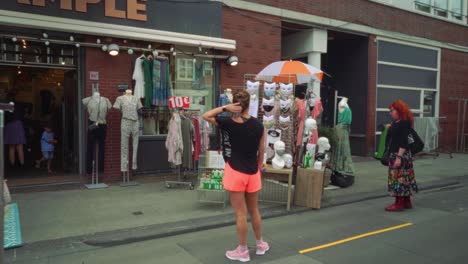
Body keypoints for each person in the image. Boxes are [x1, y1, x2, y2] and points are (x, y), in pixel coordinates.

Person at [202, 90, 269, 262]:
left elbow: (205, 115)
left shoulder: (227, 122)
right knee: (254, 211)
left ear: (235, 104)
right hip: (253, 172)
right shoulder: (258, 125)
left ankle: (243, 251)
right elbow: (262, 149)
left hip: (235, 171)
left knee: (240, 213)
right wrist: (259, 166)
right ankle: (260, 244)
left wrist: (224, 107)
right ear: (249, 104)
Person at [385, 100, 419, 211]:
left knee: (398, 179)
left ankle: (399, 203)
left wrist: (398, 157)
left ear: (399, 110)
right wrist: (391, 127)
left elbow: (404, 141)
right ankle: (406, 201)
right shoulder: (398, 122)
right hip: (402, 155)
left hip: (399, 154)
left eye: (392, 110)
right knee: (405, 178)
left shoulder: (404, 123)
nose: (390, 113)